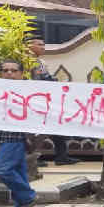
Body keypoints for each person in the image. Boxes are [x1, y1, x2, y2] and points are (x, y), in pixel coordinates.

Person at [27, 36, 78, 166]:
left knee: (56, 126)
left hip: (45, 100)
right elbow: (36, 81)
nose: (42, 47)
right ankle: (33, 159)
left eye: (43, 44)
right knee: (36, 131)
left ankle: (61, 156)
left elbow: (46, 78)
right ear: (29, 46)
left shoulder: (41, 62)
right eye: (39, 44)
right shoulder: (27, 62)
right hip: (33, 101)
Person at [0, 60, 38, 207]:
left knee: (2, 169)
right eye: (5, 70)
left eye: (13, 70)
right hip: (4, 135)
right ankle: (22, 203)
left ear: (21, 73)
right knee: (18, 171)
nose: (9, 73)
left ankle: (27, 197)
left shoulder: (28, 90)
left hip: (17, 136)